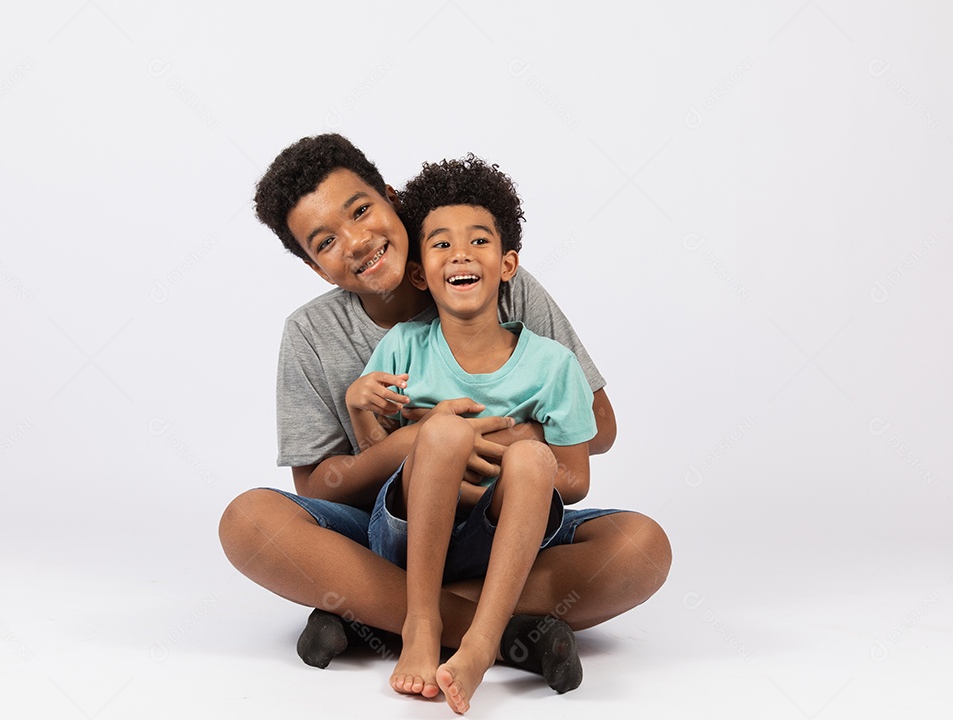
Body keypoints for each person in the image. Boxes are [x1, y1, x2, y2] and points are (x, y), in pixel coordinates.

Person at [217, 133, 671, 691]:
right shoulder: (311, 334)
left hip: (507, 515)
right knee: (248, 521)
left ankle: (372, 616)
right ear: (316, 267)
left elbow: (598, 427)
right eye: (325, 242)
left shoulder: (498, 280)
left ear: (392, 198)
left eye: (362, 211)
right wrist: (412, 445)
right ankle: (500, 635)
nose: (356, 242)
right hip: (388, 526)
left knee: (641, 550)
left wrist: (508, 440)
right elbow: (317, 487)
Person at [348, 154, 598, 713]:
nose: (460, 254)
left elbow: (575, 480)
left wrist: (508, 450)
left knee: (534, 462)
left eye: (479, 242)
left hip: (503, 539)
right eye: (440, 244)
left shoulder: (554, 366)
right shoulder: (403, 348)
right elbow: (377, 467)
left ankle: (480, 644)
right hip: (409, 535)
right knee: (439, 436)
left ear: (508, 263)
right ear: (420, 274)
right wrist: (359, 405)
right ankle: (419, 622)